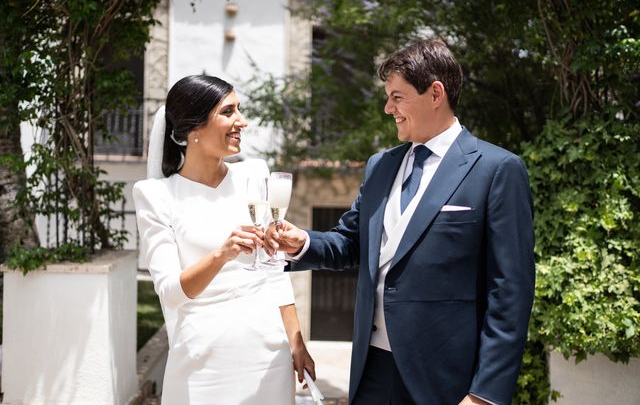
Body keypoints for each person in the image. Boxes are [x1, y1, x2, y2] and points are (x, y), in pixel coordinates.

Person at [268, 39, 535, 405]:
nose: (387, 108)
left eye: (397, 97)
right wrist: (302, 243)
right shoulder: (382, 165)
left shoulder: (497, 169)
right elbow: (350, 242)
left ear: (435, 93)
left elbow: (510, 292)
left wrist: (484, 394)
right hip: (372, 371)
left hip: (446, 380)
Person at [132, 75, 314, 405]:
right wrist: (222, 254)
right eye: (228, 112)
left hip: (267, 355)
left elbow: (274, 270)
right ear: (194, 128)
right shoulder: (156, 195)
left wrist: (296, 341)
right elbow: (172, 292)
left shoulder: (254, 175)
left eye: (239, 110)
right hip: (202, 360)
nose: (241, 121)